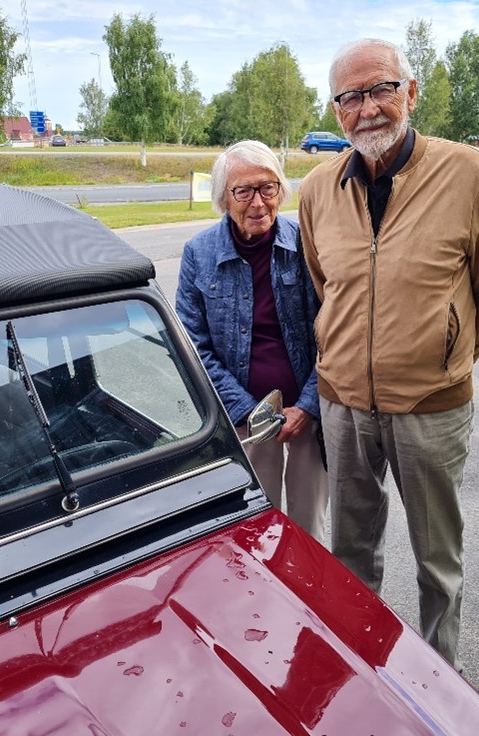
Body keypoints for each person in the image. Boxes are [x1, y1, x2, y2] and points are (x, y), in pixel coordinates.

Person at [298, 38, 479, 669]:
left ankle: (439, 682)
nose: (367, 108)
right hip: (343, 407)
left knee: (436, 563)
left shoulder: (469, 173)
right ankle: (359, 674)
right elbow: (325, 284)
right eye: (350, 96)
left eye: (381, 89)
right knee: (350, 557)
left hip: (430, 407)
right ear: (336, 109)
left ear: (410, 93)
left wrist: (447, 358)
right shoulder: (315, 191)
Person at [176, 140, 328, 541]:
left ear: (281, 190)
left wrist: (308, 406)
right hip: (245, 417)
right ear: (224, 198)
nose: (258, 202)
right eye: (243, 191)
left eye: (268, 188)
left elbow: (332, 332)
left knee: (307, 525)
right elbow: (193, 346)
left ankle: (306, 596)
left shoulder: (304, 244)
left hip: (307, 413)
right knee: (257, 525)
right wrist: (249, 411)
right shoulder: (199, 253)